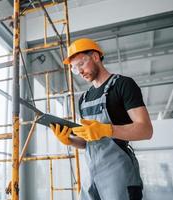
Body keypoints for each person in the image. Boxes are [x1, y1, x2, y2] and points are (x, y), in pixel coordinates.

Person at [49, 38, 153, 200]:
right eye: (75, 69)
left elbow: (146, 130)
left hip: (119, 176)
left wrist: (107, 129)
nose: (80, 72)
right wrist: (69, 140)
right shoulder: (84, 98)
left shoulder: (123, 85)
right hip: (91, 177)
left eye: (81, 64)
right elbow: (89, 142)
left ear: (95, 57)